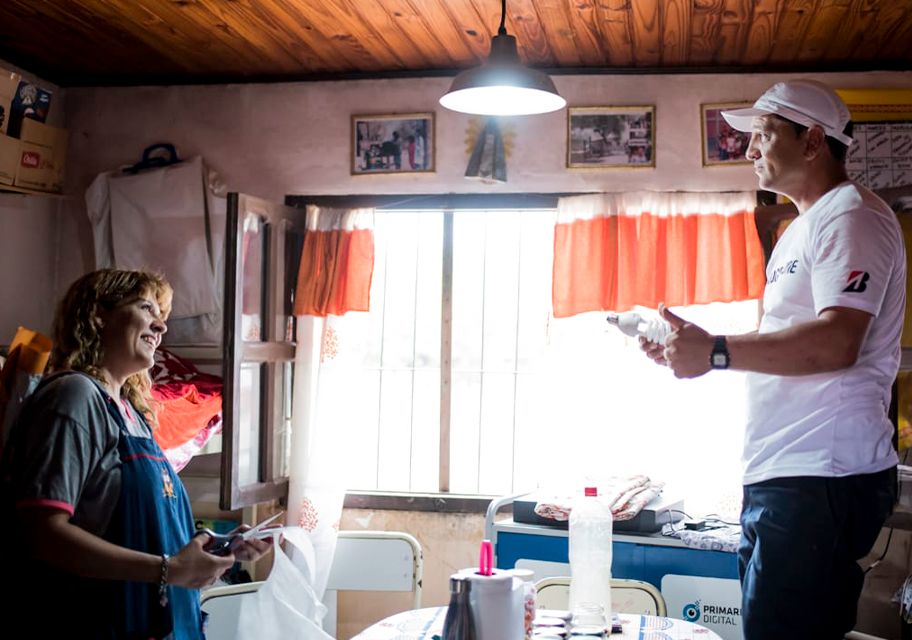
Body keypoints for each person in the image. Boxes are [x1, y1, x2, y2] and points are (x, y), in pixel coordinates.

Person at [640, 80, 902, 639]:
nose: (749, 150)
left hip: (822, 474)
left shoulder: (851, 216)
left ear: (812, 140)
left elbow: (837, 342)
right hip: (786, 474)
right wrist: (693, 348)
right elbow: (793, 340)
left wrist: (714, 352)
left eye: (762, 134)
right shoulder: (800, 228)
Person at [0, 269, 272, 639]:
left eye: (162, 316)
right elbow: (42, 533)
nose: (161, 327)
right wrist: (168, 569)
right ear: (98, 315)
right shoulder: (73, 398)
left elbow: (147, 530)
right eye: (147, 308)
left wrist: (217, 549)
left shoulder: (133, 415)